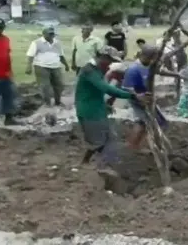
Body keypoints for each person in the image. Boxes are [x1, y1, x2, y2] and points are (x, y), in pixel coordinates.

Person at [75, 46, 149, 176]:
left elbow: (95, 91)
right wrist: (132, 95)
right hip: (88, 111)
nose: (110, 64)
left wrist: (104, 104)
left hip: (97, 108)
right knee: (99, 142)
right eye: (109, 60)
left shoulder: (97, 69)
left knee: (108, 138)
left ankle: (95, 164)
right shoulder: (88, 70)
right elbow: (106, 88)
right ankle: (98, 167)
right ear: (102, 57)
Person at [122, 45, 177, 149]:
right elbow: (126, 88)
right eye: (155, 57)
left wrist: (176, 75)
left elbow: (158, 71)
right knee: (151, 123)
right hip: (138, 100)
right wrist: (138, 96)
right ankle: (143, 146)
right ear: (148, 57)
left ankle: (138, 146)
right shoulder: (133, 69)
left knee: (150, 123)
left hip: (147, 100)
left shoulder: (148, 66)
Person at [25, 27, 69, 107]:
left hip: (56, 67)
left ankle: (58, 102)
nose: (52, 35)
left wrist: (66, 65)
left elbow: (61, 55)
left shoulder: (57, 43)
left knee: (59, 85)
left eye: (52, 34)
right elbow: (30, 56)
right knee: (44, 86)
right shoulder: (36, 43)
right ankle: (47, 103)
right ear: (44, 34)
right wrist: (29, 66)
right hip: (41, 67)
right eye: (50, 34)